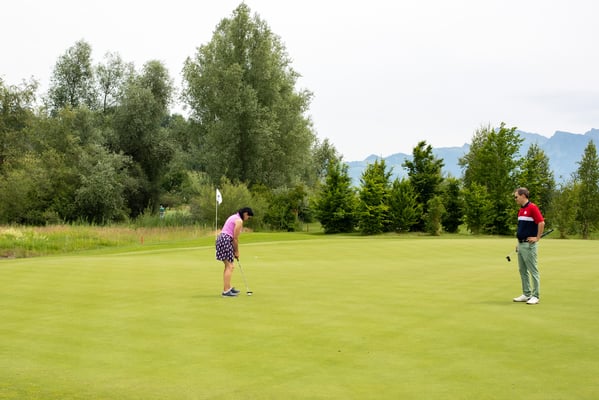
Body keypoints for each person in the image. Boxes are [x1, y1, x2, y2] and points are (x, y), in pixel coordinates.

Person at [512, 188, 545, 305]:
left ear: (523, 196)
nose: (515, 199)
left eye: (516, 197)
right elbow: (521, 228)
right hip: (521, 244)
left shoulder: (532, 208)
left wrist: (537, 238)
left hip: (529, 245)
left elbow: (541, 222)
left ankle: (535, 296)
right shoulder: (521, 210)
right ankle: (526, 294)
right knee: (522, 270)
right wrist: (518, 243)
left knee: (533, 270)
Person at [215, 207, 254, 297]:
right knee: (230, 266)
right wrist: (236, 251)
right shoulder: (239, 221)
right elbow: (235, 238)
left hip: (222, 239)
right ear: (245, 214)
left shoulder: (234, 216)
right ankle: (226, 291)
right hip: (225, 240)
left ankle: (228, 287)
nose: (248, 219)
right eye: (248, 217)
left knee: (229, 266)